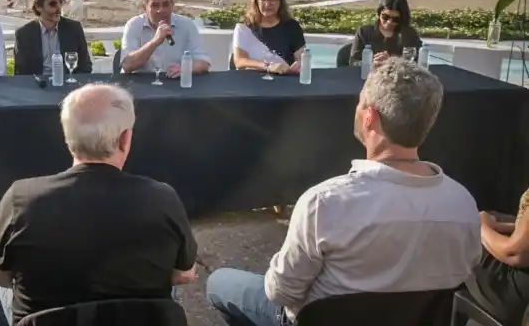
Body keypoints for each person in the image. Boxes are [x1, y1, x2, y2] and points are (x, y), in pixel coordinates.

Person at [206, 58, 481, 326]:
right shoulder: (463, 204)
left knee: (218, 283)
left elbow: (280, 293)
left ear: (370, 117)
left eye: (360, 103)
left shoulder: (324, 203)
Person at [0, 83, 198, 325]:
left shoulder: (21, 198)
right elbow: (184, 274)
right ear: (125, 139)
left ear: (68, 137)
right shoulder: (163, 198)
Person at [463, 193, 529, 324]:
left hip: (514, 292)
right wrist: (497, 224)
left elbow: (515, 254)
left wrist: (481, 226)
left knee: (458, 230)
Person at [120, 0, 211, 76]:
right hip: (140, 82)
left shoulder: (187, 25)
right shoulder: (133, 25)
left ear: (172, 5)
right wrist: (155, 42)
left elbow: (203, 62)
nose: (161, 10)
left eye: (165, 4)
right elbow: (127, 65)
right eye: (155, 5)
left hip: (174, 81)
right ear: (145, 8)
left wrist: (184, 69)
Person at [13, 0, 93, 76]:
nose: (58, 8)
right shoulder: (24, 34)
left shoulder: (74, 28)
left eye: (60, 2)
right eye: (52, 4)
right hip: (37, 83)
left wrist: (72, 81)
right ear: (38, 7)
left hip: (67, 82)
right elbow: (20, 72)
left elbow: (85, 66)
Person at [232, 0, 305, 75]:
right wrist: (268, 66)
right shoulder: (244, 27)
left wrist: (299, 65)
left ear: (280, 2)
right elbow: (240, 61)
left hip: (284, 79)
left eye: (273, 0)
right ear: (256, 2)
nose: (267, 4)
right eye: (263, 0)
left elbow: (301, 58)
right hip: (251, 79)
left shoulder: (292, 26)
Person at [349, 0, 423, 66]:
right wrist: (372, 63)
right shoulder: (364, 32)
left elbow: (417, 62)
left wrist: (391, 61)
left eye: (395, 19)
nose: (389, 22)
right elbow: (354, 61)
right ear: (379, 13)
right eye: (385, 17)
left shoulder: (410, 34)